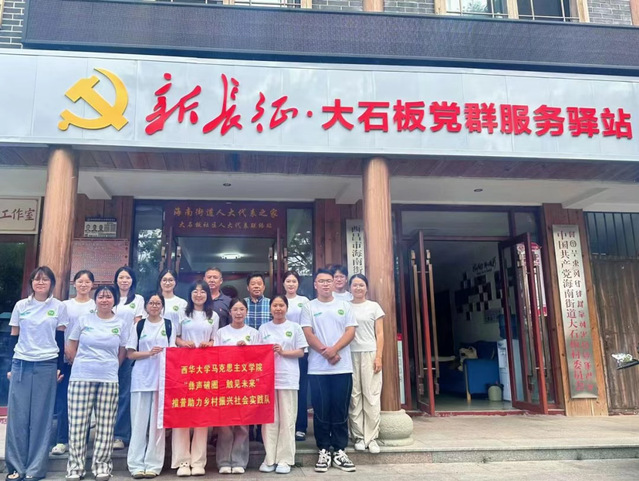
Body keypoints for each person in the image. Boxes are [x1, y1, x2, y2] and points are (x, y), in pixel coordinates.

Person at [5, 266, 68, 481]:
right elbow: (13, 336)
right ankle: (15, 467)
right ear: (31, 283)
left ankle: (35, 469)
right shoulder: (21, 305)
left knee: (42, 418)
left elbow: (60, 338)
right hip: (21, 363)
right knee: (18, 417)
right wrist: (9, 367)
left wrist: (59, 367)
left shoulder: (58, 307)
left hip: (47, 364)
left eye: (45, 279)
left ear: (51, 283)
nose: (40, 283)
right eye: (36, 279)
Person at [65, 285, 127, 481]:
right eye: (101, 296)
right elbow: (71, 345)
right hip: (81, 377)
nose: (104, 300)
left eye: (108, 297)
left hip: (108, 378)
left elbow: (123, 350)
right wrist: (80, 363)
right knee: (77, 424)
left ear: (114, 300)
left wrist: (112, 366)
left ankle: (102, 466)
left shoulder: (121, 323)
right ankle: (75, 468)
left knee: (106, 425)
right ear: (96, 299)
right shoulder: (84, 320)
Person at [300, 269, 357, 473]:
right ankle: (323, 449)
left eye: (329, 281)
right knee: (321, 410)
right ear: (315, 284)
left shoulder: (345, 305)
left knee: (340, 408)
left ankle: (340, 450)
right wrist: (327, 352)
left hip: (342, 367)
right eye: (321, 281)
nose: (325, 284)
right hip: (318, 369)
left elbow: (351, 331)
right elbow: (308, 334)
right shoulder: (309, 307)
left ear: (334, 283)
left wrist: (334, 350)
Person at [172, 281, 219, 477]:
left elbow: (216, 339)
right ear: (190, 294)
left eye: (202, 291)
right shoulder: (181, 313)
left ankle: (198, 461)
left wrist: (210, 344)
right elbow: (174, 337)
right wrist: (183, 343)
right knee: (182, 412)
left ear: (208, 294)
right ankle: (183, 461)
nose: (199, 295)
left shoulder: (213, 315)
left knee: (201, 412)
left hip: (205, 369)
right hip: (183, 367)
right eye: (195, 291)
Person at [127, 294, 176, 479]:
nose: (154, 306)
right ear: (146, 306)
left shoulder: (169, 325)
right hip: (141, 379)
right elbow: (130, 354)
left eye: (158, 303)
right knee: (138, 424)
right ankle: (135, 464)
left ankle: (154, 464)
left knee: (157, 425)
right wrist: (149, 353)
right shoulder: (139, 325)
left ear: (162, 306)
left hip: (161, 380)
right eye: (151, 303)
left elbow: (173, 352)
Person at [258, 296, 307, 475]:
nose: (278, 308)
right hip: (268, 380)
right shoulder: (263, 328)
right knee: (269, 421)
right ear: (270, 308)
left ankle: (285, 459)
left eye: (281, 305)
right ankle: (270, 458)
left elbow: (301, 352)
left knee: (287, 419)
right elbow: (256, 353)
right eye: (275, 305)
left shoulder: (295, 327)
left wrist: (283, 352)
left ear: (286, 308)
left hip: (288, 377)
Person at [51, 270, 96, 456]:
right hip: (67, 359)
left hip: (89, 360)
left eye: (87, 282)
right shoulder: (65, 305)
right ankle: (62, 440)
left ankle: (81, 441)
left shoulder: (96, 305)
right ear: (74, 283)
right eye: (80, 281)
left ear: (92, 285)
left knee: (86, 403)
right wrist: (67, 352)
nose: (83, 285)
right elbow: (60, 331)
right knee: (65, 401)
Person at [214, 298, 260, 475]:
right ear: (230, 312)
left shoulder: (254, 333)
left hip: (245, 383)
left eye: (242, 309)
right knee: (225, 424)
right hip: (226, 383)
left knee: (242, 424)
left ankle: (239, 460)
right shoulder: (221, 333)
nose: (239, 313)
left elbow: (259, 358)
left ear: (246, 312)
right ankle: (224, 461)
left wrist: (246, 349)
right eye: (235, 309)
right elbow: (215, 357)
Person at [348, 274, 385, 454]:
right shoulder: (345, 307)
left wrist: (379, 356)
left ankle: (372, 438)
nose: (358, 288)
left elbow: (380, 334)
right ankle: (358, 436)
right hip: (350, 354)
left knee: (371, 395)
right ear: (349, 288)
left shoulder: (374, 307)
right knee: (354, 396)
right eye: (355, 285)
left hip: (370, 353)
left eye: (361, 285)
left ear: (367, 288)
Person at [113, 266, 145, 450]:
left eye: (127, 278)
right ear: (116, 280)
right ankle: (105, 432)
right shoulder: (109, 296)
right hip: (108, 349)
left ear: (132, 280)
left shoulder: (138, 299)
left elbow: (137, 324)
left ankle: (120, 434)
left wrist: (127, 347)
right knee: (107, 393)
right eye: (121, 277)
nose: (124, 281)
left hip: (128, 350)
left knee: (124, 393)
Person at [282, 270, 311, 441]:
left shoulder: (304, 301)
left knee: (301, 388)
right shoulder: (279, 300)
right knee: (284, 390)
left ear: (298, 283)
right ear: (283, 283)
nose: (291, 284)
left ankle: (301, 427)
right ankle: (286, 425)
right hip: (282, 351)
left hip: (301, 351)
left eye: (294, 281)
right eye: (288, 281)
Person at [158, 268, 187, 333]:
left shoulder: (182, 303)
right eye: (164, 280)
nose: (167, 283)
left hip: (175, 337)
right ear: (160, 282)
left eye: (170, 280)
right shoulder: (153, 301)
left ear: (175, 282)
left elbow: (184, 325)